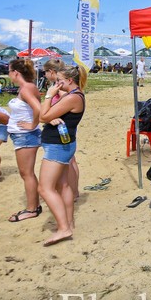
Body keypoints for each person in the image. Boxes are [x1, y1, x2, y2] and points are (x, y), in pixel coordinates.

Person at [38, 64, 87, 246]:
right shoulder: (74, 96)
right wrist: (50, 115)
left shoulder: (72, 97)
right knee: (64, 185)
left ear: (69, 80)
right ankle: (69, 223)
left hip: (57, 146)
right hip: (63, 144)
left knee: (44, 188)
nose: (56, 83)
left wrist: (49, 96)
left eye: (59, 80)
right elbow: (47, 115)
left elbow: (42, 116)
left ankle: (63, 228)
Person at [6, 58, 43, 222]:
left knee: (26, 173)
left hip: (25, 135)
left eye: (9, 71)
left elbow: (38, 109)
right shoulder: (28, 87)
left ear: (16, 73)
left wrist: (32, 124)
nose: (8, 74)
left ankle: (31, 209)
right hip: (23, 135)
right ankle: (34, 205)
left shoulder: (27, 89)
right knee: (27, 173)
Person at [43, 59, 81, 198]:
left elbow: (44, 115)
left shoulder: (64, 92)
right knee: (70, 163)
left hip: (61, 137)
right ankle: (74, 192)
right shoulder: (66, 90)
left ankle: (74, 192)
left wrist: (49, 97)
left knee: (69, 164)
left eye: (45, 72)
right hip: (63, 135)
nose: (45, 75)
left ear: (51, 71)